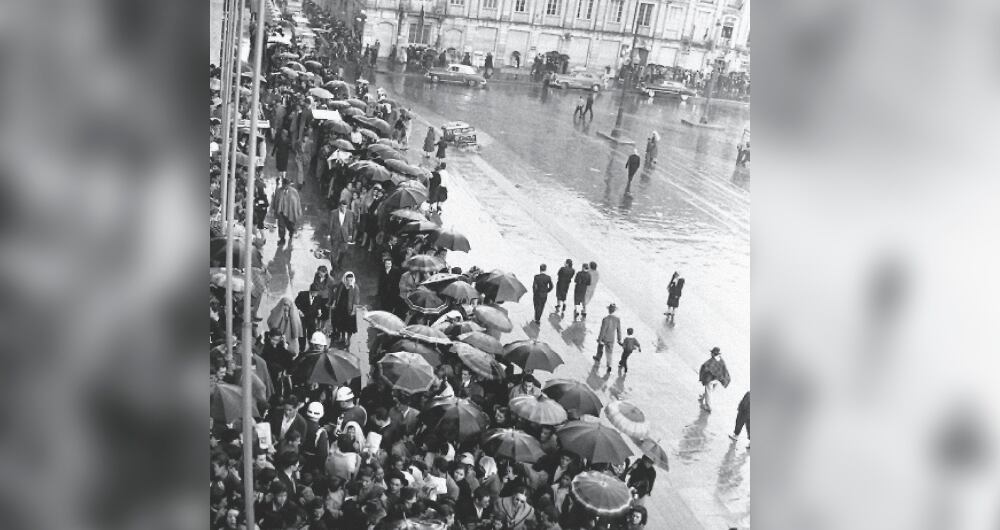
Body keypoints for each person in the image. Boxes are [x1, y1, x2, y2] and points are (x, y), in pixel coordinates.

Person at [330, 271, 360, 346]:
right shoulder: (341, 285)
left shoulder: (355, 287)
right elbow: (336, 296)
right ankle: (342, 338)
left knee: (349, 326)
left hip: (349, 309)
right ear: (345, 279)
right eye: (348, 280)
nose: (349, 281)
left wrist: (353, 310)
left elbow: (356, 300)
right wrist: (334, 303)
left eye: (351, 280)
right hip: (340, 308)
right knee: (341, 324)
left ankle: (348, 340)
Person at [271, 177, 303, 246]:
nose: (284, 186)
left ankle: (291, 232)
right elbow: (276, 199)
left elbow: (297, 202)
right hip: (281, 213)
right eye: (283, 184)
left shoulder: (294, 192)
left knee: (290, 226)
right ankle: (282, 239)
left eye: (286, 185)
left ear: (289, 184)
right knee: (281, 226)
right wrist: (276, 210)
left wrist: (298, 211)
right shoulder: (279, 191)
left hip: (290, 212)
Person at [698, 347, 731, 412]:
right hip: (718, 380)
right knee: (711, 391)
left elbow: (705, 368)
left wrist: (703, 375)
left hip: (710, 380)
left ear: (713, 354)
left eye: (711, 353)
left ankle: (708, 407)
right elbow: (724, 370)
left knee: (709, 392)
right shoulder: (721, 361)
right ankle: (703, 396)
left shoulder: (711, 361)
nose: (711, 354)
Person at [294, 286, 326, 352]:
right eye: (315, 292)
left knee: (312, 332)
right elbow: (296, 303)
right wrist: (299, 311)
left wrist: (319, 310)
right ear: (311, 291)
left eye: (317, 292)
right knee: (302, 333)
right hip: (303, 317)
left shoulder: (318, 297)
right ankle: (301, 349)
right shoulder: (302, 295)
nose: (316, 294)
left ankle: (311, 347)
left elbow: (318, 305)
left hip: (312, 317)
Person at [328, 199, 356, 273]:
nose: (344, 209)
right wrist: (329, 234)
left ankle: (340, 264)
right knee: (334, 253)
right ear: (339, 206)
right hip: (335, 235)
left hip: (345, 235)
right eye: (342, 207)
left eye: (345, 207)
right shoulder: (333, 213)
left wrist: (350, 234)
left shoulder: (350, 213)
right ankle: (334, 267)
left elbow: (350, 225)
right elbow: (330, 224)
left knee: (343, 251)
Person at [594, 303, 622, 373]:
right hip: (611, 339)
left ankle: (598, 358)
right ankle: (609, 365)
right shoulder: (617, 319)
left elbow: (602, 330)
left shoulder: (605, 319)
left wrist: (599, 339)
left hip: (604, 338)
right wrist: (619, 339)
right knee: (609, 353)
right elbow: (619, 330)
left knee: (600, 348)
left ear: (609, 310)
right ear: (615, 311)